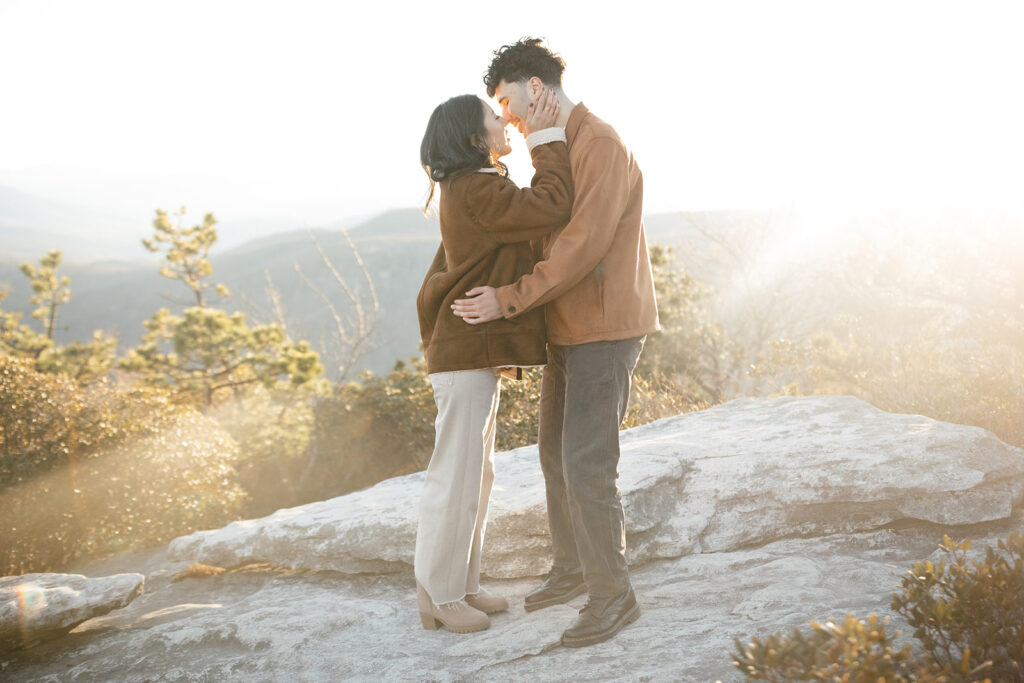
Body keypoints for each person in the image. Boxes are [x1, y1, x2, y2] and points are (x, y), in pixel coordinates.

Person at [451, 37, 660, 648]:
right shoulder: (559, 144)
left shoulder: (598, 141)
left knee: (587, 465)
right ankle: (573, 570)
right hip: (569, 327)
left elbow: (583, 243)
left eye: (506, 99)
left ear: (535, 88)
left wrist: (510, 297)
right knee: (553, 456)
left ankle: (613, 596)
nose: (506, 115)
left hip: (605, 328)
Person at [414, 89, 572, 634]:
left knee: (475, 474)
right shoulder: (477, 186)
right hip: (464, 349)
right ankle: (438, 593)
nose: (504, 120)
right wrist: (548, 140)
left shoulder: (473, 185)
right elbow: (550, 206)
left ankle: (461, 585)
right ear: (473, 136)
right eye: (493, 117)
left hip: (471, 349)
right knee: (456, 475)